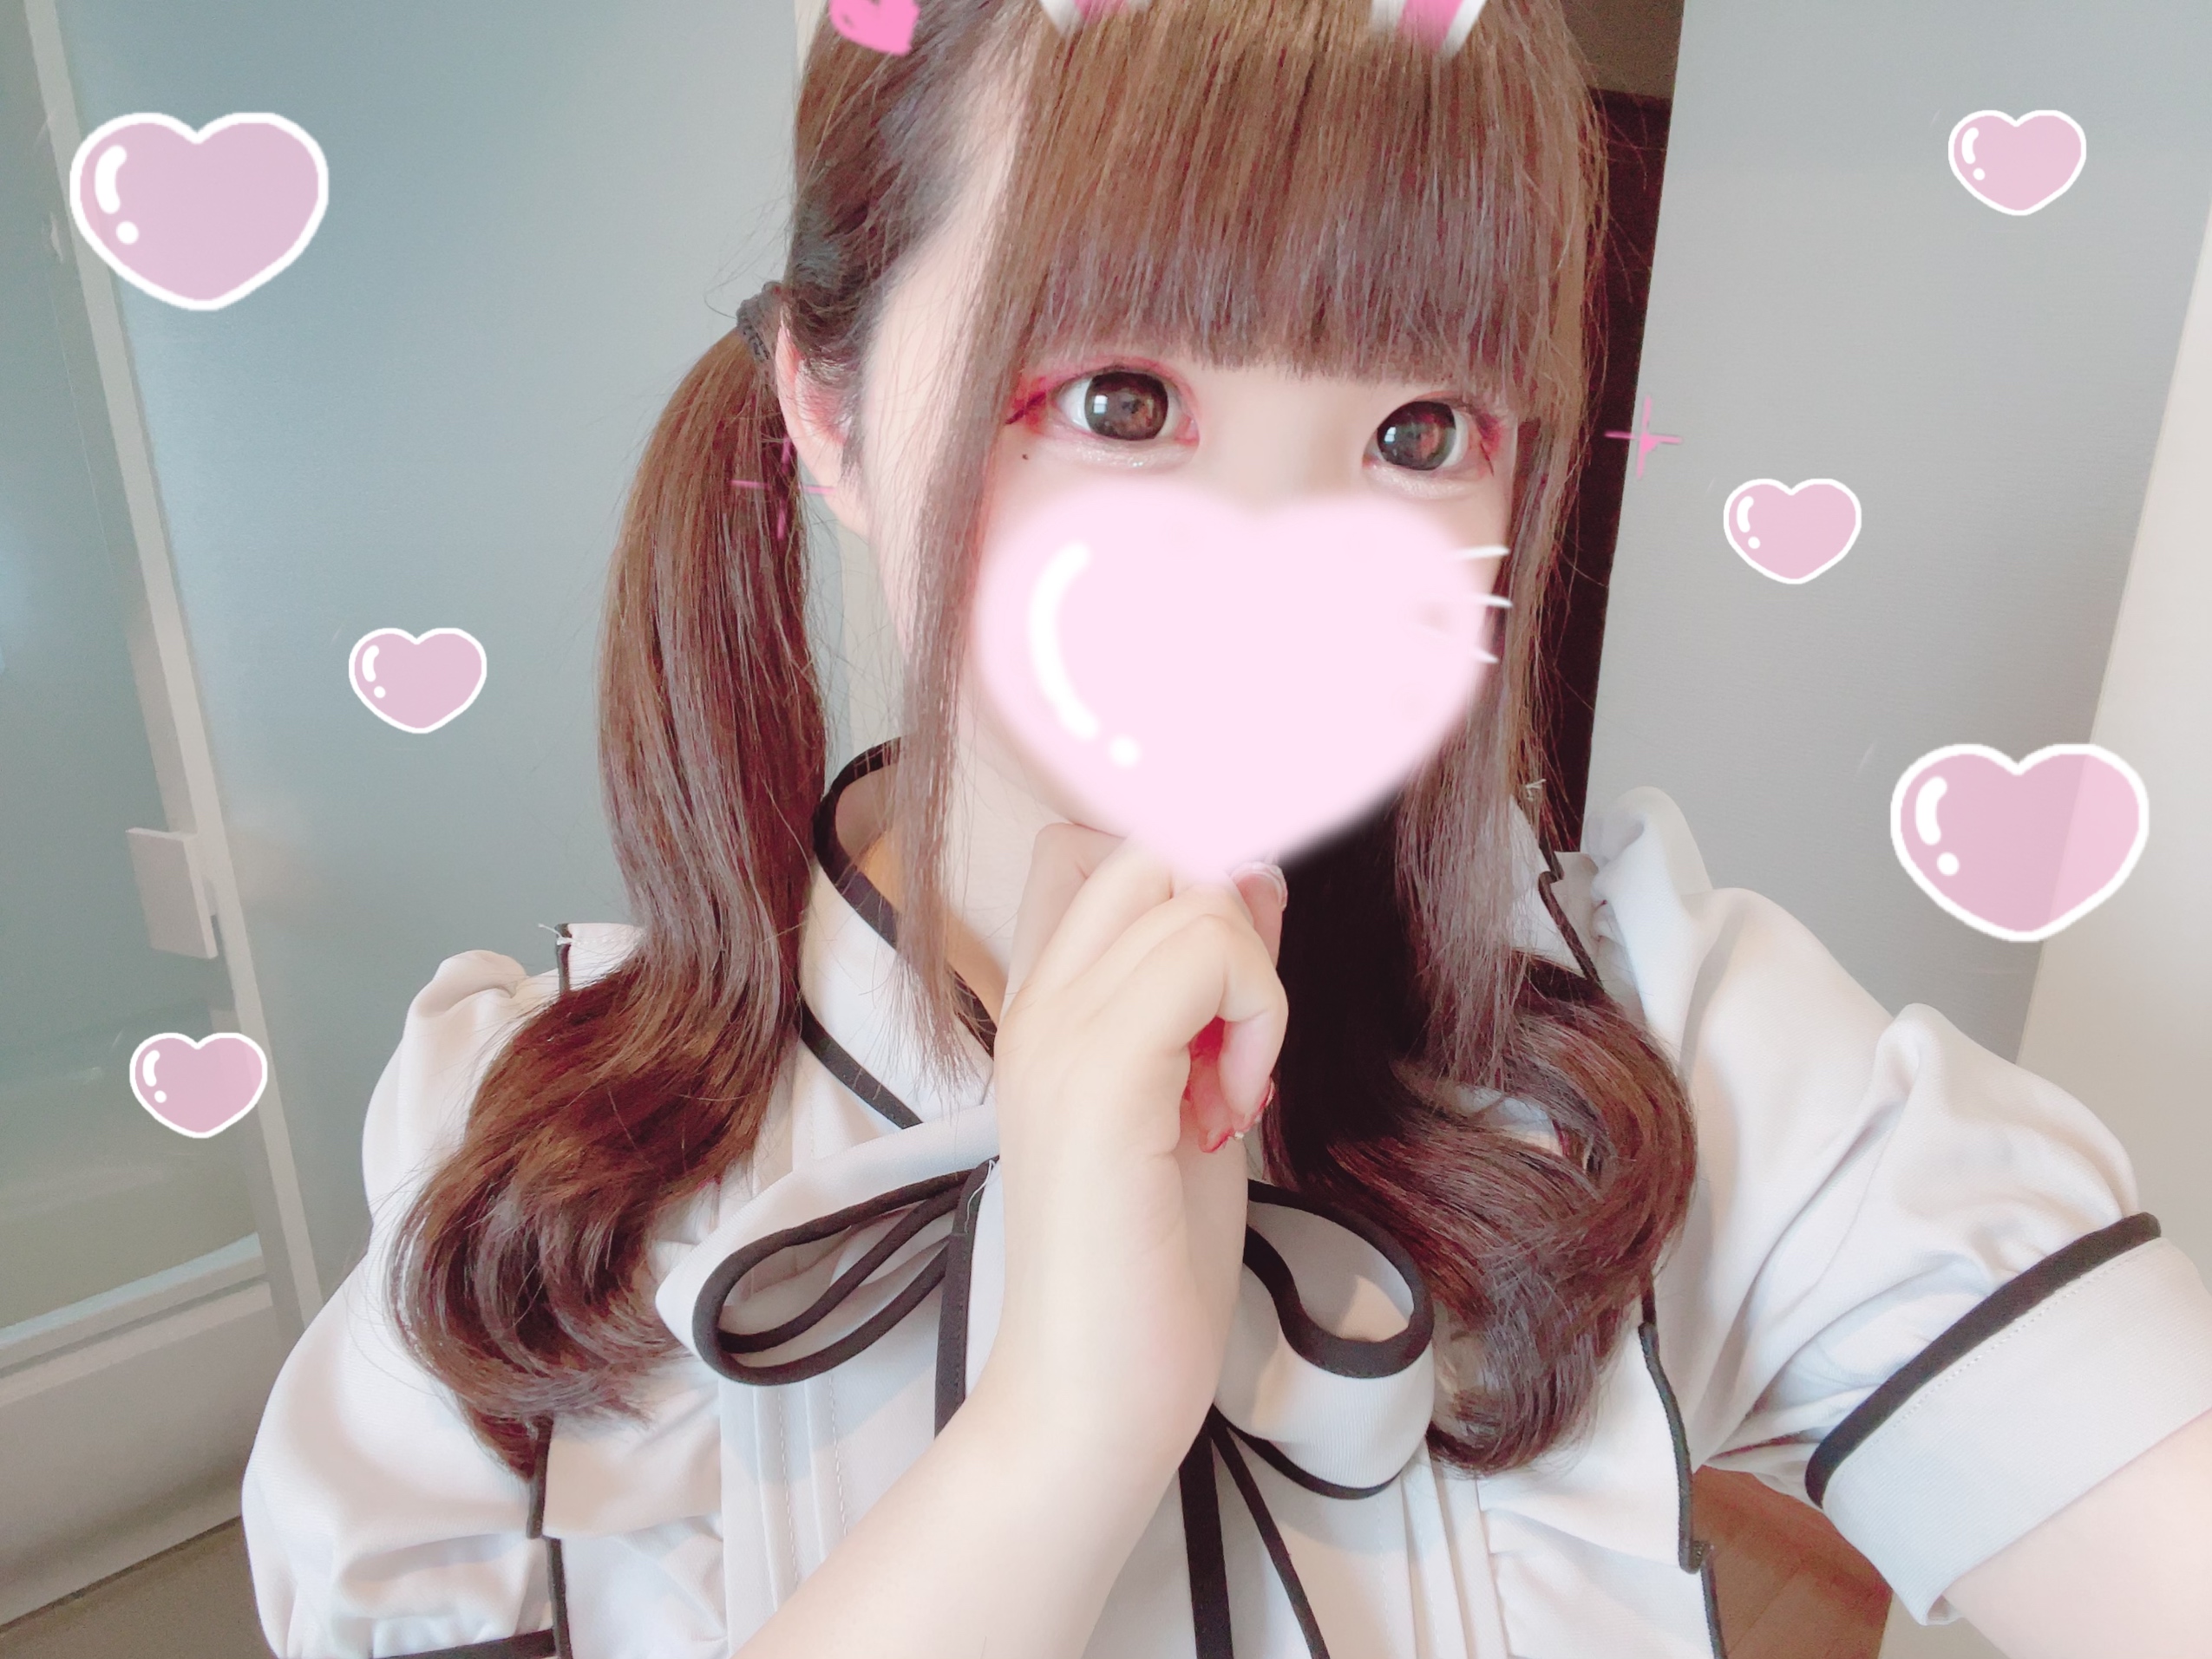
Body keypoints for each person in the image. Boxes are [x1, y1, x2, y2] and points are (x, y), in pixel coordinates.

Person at [240, 2, 2212, 1656]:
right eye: (1116, 401)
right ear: (826, 411)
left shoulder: (1674, 1058)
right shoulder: (528, 1162)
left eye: (1420, 434)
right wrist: (1060, 1434)